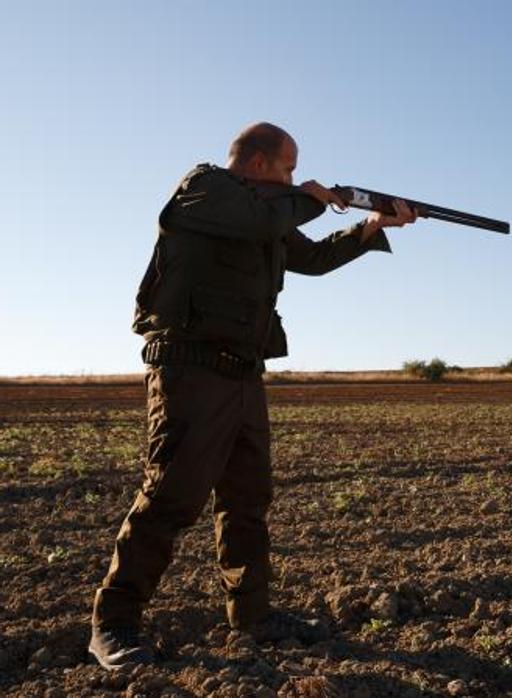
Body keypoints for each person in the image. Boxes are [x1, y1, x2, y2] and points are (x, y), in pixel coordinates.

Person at [88, 122, 417, 669]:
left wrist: (370, 225)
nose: (294, 177)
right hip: (190, 369)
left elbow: (307, 259)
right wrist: (309, 198)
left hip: (244, 372)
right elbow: (259, 219)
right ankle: (114, 623)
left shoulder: (269, 214)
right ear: (260, 164)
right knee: (171, 494)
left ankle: (253, 616)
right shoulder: (204, 190)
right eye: (288, 168)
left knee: (247, 499)